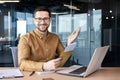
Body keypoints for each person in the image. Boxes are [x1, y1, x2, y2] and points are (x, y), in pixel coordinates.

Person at [18, 6, 80, 72]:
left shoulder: (55, 37)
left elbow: (63, 59)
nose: (42, 22)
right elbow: (22, 63)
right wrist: (44, 66)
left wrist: (69, 44)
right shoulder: (25, 38)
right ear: (34, 20)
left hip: (52, 74)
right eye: (39, 19)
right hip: (32, 75)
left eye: (45, 19)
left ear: (50, 20)